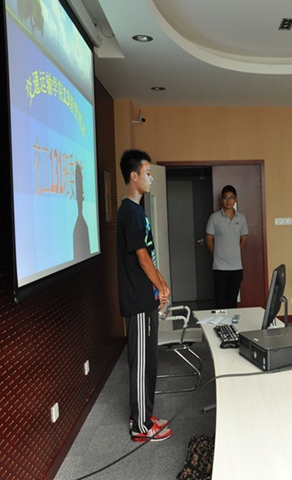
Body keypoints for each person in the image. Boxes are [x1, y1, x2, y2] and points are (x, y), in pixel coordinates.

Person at [117, 149, 172, 442]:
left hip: (146, 298)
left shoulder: (138, 211)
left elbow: (148, 256)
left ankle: (145, 415)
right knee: (140, 364)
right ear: (133, 176)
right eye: (147, 173)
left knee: (149, 361)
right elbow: (141, 258)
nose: (151, 178)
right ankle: (140, 427)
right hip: (137, 301)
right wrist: (159, 287)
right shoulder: (129, 211)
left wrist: (161, 285)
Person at [205, 185, 249, 308]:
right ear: (222, 199)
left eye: (231, 197)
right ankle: (219, 321)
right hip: (220, 267)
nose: (228, 201)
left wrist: (235, 250)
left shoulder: (241, 218)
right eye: (225, 197)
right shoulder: (214, 217)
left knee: (232, 300)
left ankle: (231, 321)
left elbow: (244, 238)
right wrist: (216, 253)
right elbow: (209, 238)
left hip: (236, 267)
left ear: (236, 199)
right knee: (219, 300)